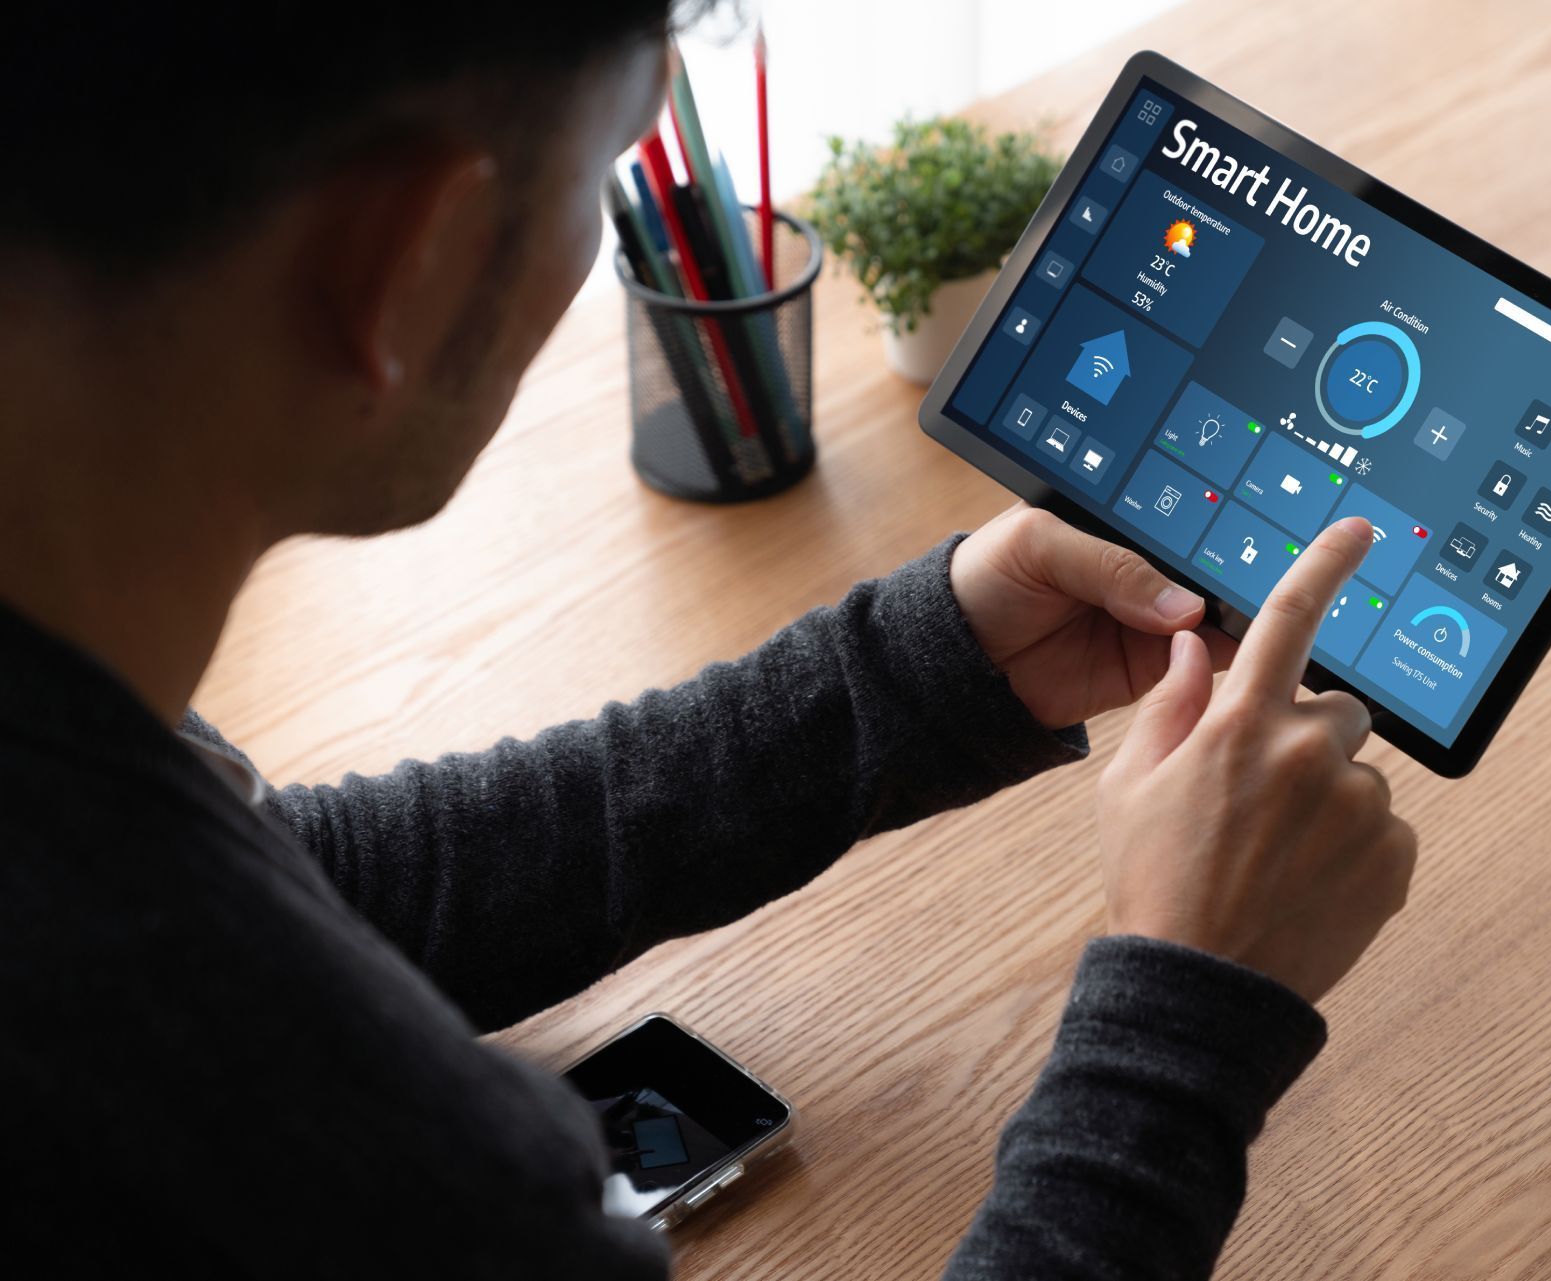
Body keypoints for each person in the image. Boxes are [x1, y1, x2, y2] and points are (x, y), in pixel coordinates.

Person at [0, 6, 1416, 1277]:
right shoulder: (403, 1188)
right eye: (607, 171)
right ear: (406, 258)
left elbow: (306, 886)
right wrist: (1185, 1009)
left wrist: (914, 673)